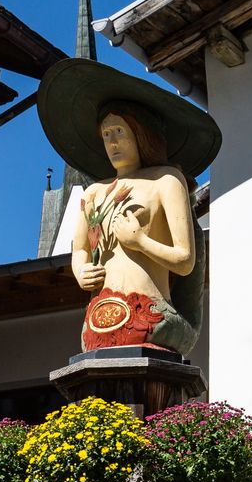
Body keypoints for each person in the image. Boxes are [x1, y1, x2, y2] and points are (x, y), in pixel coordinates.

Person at [37, 59, 221, 357]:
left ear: (141, 133)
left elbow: (185, 260)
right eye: (106, 135)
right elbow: (80, 248)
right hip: (99, 317)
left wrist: (140, 241)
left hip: (150, 310)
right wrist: (81, 270)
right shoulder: (95, 192)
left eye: (119, 132)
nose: (112, 143)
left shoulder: (166, 180)